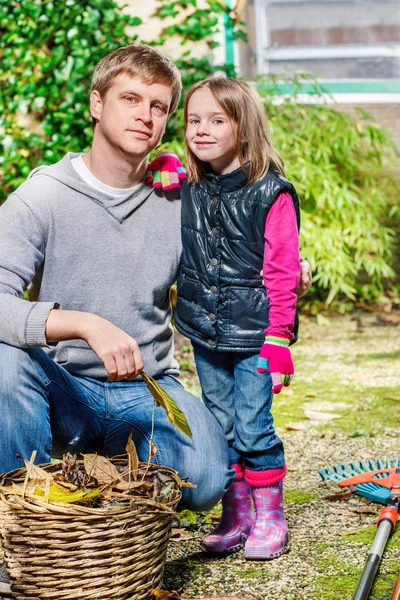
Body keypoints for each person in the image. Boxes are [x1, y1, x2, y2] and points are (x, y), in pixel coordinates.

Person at [174, 77, 302, 561]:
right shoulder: (191, 186)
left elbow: (283, 270)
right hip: (206, 332)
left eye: (216, 120)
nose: (201, 130)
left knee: (252, 426)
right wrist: (163, 168)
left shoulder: (271, 193)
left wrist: (278, 337)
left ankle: (271, 515)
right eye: (193, 120)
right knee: (222, 423)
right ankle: (238, 512)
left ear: (243, 128)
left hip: (254, 335)